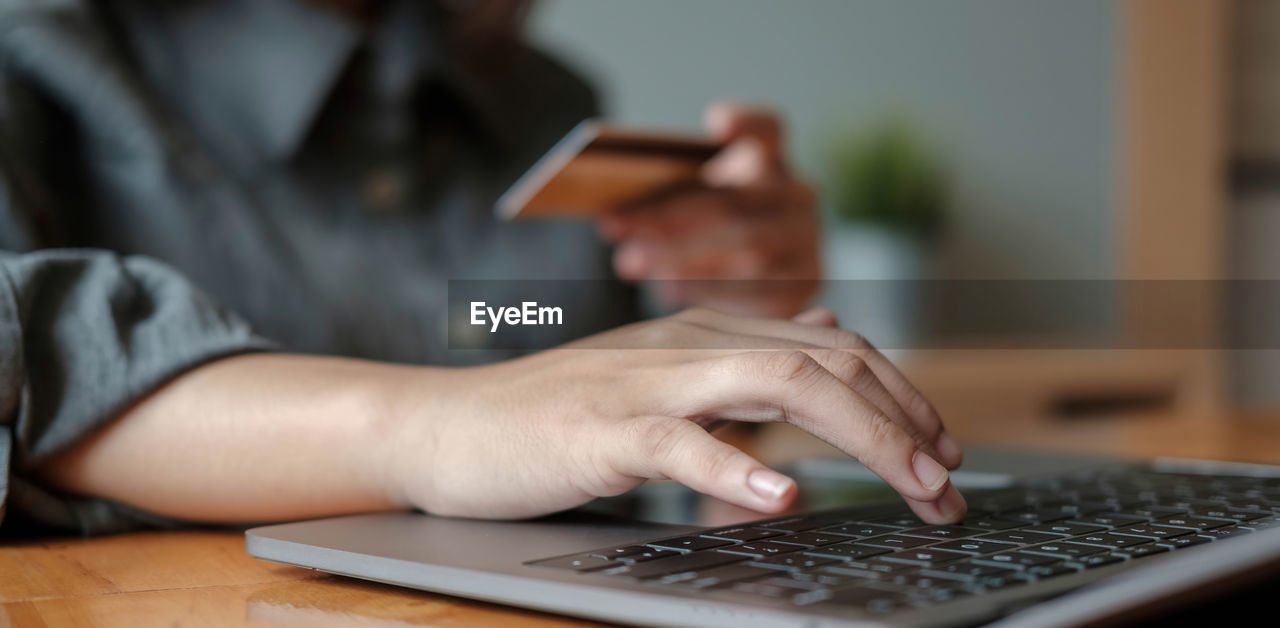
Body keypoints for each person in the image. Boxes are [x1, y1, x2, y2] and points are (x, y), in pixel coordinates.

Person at [0, 0, 965, 535]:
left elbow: (505, 334)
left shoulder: (543, 103)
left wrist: (713, 317)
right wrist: (433, 421)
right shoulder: (37, 53)